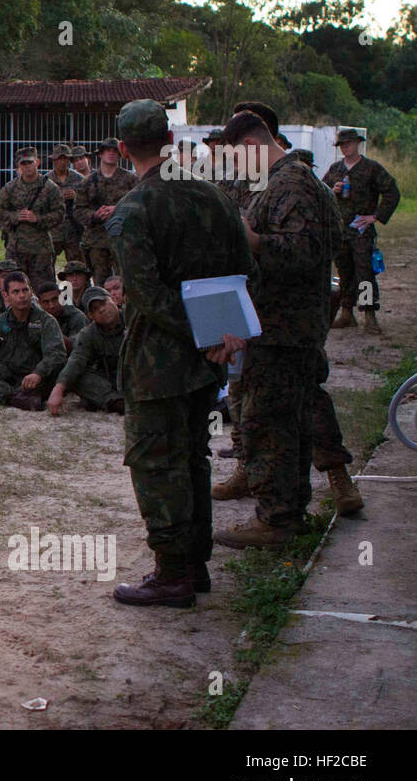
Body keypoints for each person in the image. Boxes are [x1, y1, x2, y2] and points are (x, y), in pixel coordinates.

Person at [107, 99, 253, 608]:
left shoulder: (133, 210)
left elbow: (146, 297)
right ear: (170, 141)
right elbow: (239, 269)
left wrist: (206, 334)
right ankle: (194, 566)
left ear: (124, 149)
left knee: (154, 463)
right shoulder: (213, 197)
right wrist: (222, 333)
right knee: (192, 457)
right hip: (206, 361)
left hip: (159, 360)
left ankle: (173, 575)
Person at [213, 110, 333, 550]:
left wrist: (253, 240)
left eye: (236, 159)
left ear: (249, 146)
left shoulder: (290, 183)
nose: (237, 170)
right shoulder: (284, 181)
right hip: (280, 323)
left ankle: (277, 519)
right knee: (287, 421)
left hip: (283, 326)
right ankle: (288, 512)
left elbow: (304, 253)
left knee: (268, 421)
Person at [322, 128, 401, 334]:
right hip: (341, 230)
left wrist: (375, 216)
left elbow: (392, 191)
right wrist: (332, 190)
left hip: (361, 230)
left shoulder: (371, 168)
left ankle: (369, 313)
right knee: (344, 272)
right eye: (342, 145)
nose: (346, 148)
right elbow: (320, 191)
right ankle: (346, 313)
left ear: (357, 144)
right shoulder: (335, 169)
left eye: (349, 143)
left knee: (364, 273)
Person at [0, 272, 66, 411]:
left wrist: (38, 373)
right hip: (8, 373)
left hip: (35, 375)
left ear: (31, 292)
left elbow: (56, 354)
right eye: (16, 291)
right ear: (6, 296)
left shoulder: (46, 320)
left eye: (25, 290)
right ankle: (16, 399)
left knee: (54, 373)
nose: (22, 295)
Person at [47, 286, 125, 415]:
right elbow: (76, 360)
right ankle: (117, 402)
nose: (102, 310)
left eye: (103, 303)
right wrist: (58, 389)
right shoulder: (88, 334)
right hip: (111, 381)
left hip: (139, 377)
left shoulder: (134, 319)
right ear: (90, 315)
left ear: (113, 300)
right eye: (95, 309)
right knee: (76, 376)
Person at [0, 147, 62, 288]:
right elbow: (0, 211)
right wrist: (16, 216)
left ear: (37, 162)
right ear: (18, 166)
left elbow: (59, 214)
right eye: (23, 164)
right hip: (16, 248)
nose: (27, 166)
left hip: (41, 249)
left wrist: (37, 218)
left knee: (44, 288)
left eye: (29, 163)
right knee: (15, 287)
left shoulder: (50, 188)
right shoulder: (10, 188)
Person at [75, 138, 137, 284]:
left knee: (127, 282)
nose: (111, 154)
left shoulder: (130, 180)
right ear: (100, 154)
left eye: (115, 151)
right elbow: (78, 210)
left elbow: (140, 206)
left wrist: (118, 209)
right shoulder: (88, 182)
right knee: (100, 283)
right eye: (107, 151)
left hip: (123, 239)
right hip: (97, 241)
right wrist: (95, 216)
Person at [47, 144, 85, 265]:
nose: (62, 162)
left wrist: (76, 196)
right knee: (47, 264)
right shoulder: (46, 180)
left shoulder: (79, 179)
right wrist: (57, 197)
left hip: (74, 229)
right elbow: (40, 203)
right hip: (53, 229)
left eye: (65, 159)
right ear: (54, 160)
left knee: (77, 265)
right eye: (59, 159)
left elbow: (88, 200)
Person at [35, 281, 89, 352]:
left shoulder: (76, 317)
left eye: (55, 299)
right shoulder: (36, 318)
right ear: (40, 304)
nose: (51, 306)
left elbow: (78, 347)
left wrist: (52, 331)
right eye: (46, 302)